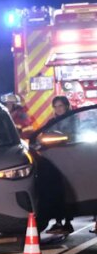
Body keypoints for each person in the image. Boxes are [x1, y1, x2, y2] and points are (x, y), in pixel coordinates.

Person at [46, 95, 74, 235]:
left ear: (67, 106)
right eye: (55, 106)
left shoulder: (73, 119)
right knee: (57, 191)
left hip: (71, 159)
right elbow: (45, 134)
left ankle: (68, 222)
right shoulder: (52, 122)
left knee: (68, 191)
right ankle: (58, 221)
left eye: (60, 106)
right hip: (55, 160)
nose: (58, 109)